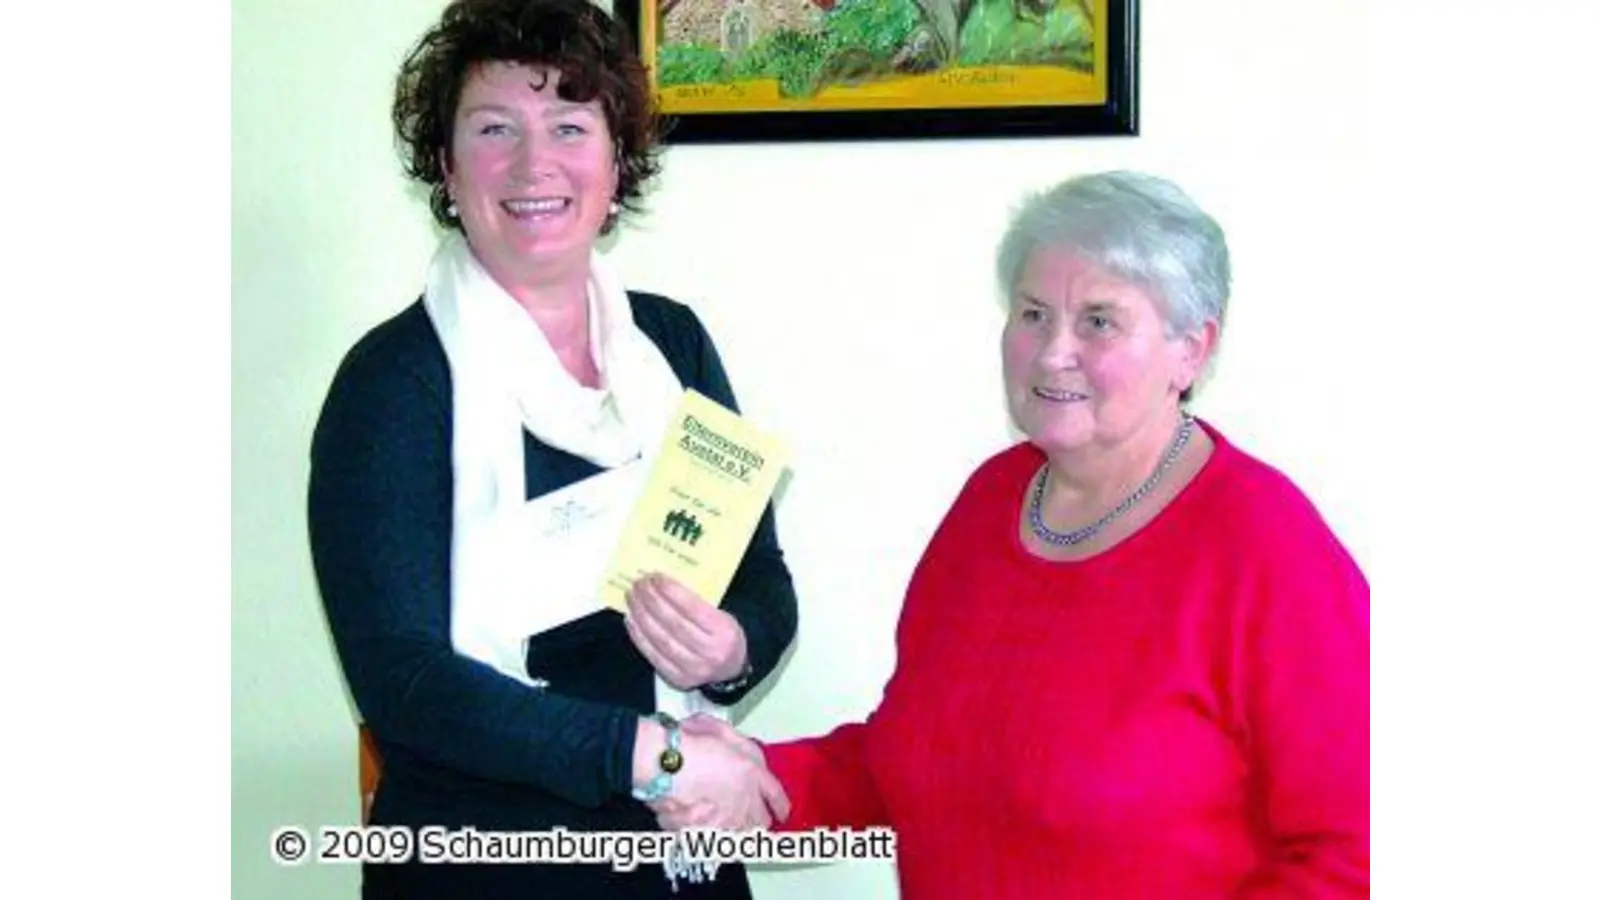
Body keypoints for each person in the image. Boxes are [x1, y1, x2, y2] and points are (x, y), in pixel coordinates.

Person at [661, 171, 1370, 898]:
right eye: (1033, 313)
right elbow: (915, 764)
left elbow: (1355, 857)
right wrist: (746, 781)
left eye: (1099, 320)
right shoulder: (992, 502)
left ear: (1192, 349)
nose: (1053, 350)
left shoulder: (1269, 551)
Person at [307, 0, 796, 896]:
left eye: (570, 126)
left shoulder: (673, 346)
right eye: (495, 128)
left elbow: (761, 579)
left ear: (617, 161)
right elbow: (405, 686)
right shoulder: (393, 387)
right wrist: (652, 757)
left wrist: (730, 650)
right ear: (448, 167)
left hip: (679, 857)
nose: (535, 166)